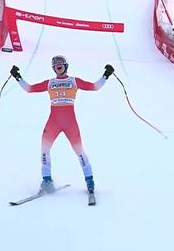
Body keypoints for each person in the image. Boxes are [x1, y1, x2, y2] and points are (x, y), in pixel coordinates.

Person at [10, 55, 114, 196]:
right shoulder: (50, 82)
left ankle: (89, 181)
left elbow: (94, 87)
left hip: (70, 123)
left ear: (66, 66)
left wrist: (106, 75)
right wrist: (17, 76)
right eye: (55, 64)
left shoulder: (74, 81)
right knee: (44, 150)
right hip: (53, 122)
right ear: (53, 68)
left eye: (61, 63)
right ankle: (47, 181)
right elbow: (29, 89)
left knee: (79, 151)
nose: (58, 66)